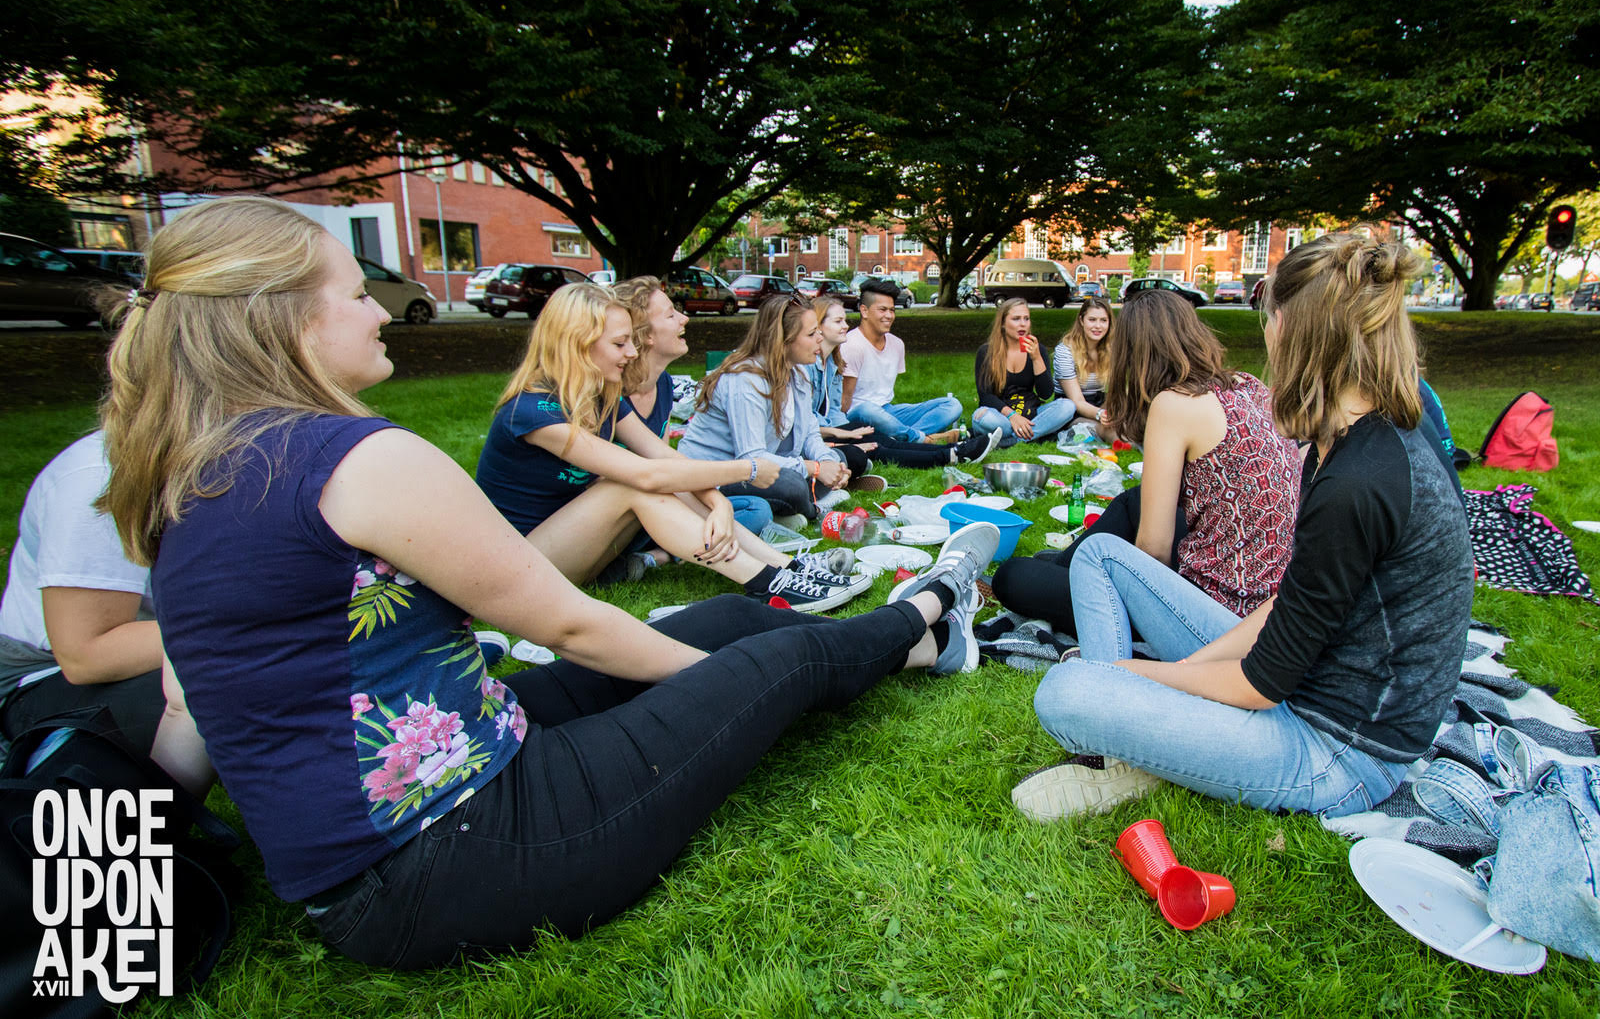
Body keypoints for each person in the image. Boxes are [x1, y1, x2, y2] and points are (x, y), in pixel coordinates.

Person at [99, 195, 1002, 968]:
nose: (380, 309)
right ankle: (931, 603)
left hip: (410, 822)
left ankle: (923, 646)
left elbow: (189, 706)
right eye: (355, 291)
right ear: (284, 316)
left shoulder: (189, 472)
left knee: (730, 617)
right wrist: (736, 693)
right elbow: (570, 625)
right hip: (452, 855)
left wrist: (125, 862)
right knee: (771, 663)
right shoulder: (356, 459)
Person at [1013, 233, 1474, 821]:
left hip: (1339, 751)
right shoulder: (1353, 440)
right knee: (1102, 558)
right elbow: (1288, 605)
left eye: (1267, 318)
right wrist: (1163, 677)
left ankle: (1133, 750)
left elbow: (1262, 683)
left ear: (1289, 328)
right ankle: (1142, 740)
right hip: (1306, 681)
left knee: (1066, 692)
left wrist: (1134, 677)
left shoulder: (1361, 478)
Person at [475, 282, 867, 612]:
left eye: (631, 340)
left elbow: (667, 458)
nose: (631, 353)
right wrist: (745, 472)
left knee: (667, 482)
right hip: (522, 568)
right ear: (578, 344)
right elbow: (646, 472)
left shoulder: (603, 397)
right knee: (630, 484)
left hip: (580, 548)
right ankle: (768, 583)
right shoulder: (531, 410)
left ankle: (787, 567)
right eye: (620, 343)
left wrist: (719, 503)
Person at [993, 289, 1300, 636]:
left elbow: (1153, 552)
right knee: (1137, 500)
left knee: (1013, 578)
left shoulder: (1174, 404)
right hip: (1266, 592)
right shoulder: (1248, 384)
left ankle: (1059, 571)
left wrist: (1115, 580)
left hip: (1217, 614)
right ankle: (1064, 567)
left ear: (1135, 352)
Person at [0, 432, 163, 753]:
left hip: (153, 650)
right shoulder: (101, 478)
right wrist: (259, 633)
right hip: (42, 676)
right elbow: (86, 655)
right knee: (227, 682)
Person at [612, 276, 772, 551]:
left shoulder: (662, 383)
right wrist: (747, 472)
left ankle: (658, 555)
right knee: (739, 506)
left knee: (755, 509)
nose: (684, 319)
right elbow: (658, 474)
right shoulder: (609, 393)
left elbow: (669, 468)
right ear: (645, 334)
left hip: (659, 501)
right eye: (671, 314)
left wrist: (716, 503)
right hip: (620, 513)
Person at [678, 294, 851, 522]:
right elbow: (752, 458)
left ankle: (793, 509)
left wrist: (827, 462)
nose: (820, 338)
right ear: (784, 339)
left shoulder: (798, 373)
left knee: (839, 457)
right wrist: (815, 469)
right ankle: (813, 511)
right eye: (811, 334)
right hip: (718, 475)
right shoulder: (746, 381)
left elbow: (810, 433)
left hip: (761, 469)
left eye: (818, 330)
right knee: (792, 484)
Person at [809, 297, 1002, 472]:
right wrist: (840, 432)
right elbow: (807, 423)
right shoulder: (810, 366)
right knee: (877, 444)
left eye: (844, 320)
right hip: (823, 433)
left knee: (881, 439)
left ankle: (953, 449)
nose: (845, 326)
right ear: (818, 326)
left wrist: (846, 430)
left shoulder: (833, 362)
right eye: (838, 321)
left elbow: (833, 411)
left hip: (872, 416)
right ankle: (949, 453)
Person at [839, 277, 963, 443]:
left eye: (892, 310)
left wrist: (889, 418)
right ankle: (923, 439)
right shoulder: (851, 345)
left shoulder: (896, 344)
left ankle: (903, 438)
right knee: (868, 409)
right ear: (864, 311)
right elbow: (844, 403)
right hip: (859, 414)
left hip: (888, 411)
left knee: (952, 405)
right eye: (882, 310)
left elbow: (884, 396)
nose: (889, 316)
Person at [972, 298, 1076, 445]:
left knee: (1067, 406)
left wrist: (1036, 358)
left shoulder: (1038, 350)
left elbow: (1045, 394)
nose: (1022, 324)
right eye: (1016, 319)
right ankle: (1034, 434)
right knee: (982, 417)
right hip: (1000, 415)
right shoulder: (987, 352)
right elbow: (985, 396)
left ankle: (1011, 440)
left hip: (1031, 414)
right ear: (1002, 323)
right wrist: (1013, 416)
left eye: (1026, 319)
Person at [1052, 296, 1114, 428]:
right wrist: (1101, 414)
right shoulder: (1065, 351)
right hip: (1072, 409)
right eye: (1092, 320)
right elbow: (1077, 401)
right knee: (1105, 429)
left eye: (1103, 320)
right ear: (1081, 320)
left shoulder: (1111, 349)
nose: (1098, 326)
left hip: (1100, 403)